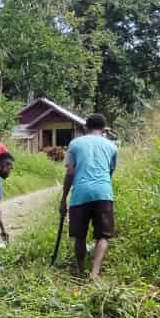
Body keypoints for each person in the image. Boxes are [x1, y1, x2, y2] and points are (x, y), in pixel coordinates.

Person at [60, 113, 118, 281]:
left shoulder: (75, 144)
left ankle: (80, 269)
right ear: (104, 129)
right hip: (103, 193)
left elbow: (70, 173)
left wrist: (63, 199)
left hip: (80, 194)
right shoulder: (112, 146)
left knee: (79, 235)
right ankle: (94, 272)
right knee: (103, 235)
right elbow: (110, 172)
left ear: (85, 127)